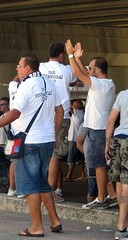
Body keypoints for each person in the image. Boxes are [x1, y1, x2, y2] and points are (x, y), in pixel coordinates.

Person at [0, 54, 63, 237]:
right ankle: (55, 221)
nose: (16, 68)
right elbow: (60, 110)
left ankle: (36, 227)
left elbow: (15, 113)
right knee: (42, 182)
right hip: (46, 140)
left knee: (30, 186)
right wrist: (54, 133)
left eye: (19, 66)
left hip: (29, 142)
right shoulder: (49, 84)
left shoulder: (26, 86)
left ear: (27, 68)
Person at [65, 39, 115, 208]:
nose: (88, 69)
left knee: (99, 167)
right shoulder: (107, 84)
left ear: (98, 71)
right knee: (101, 166)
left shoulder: (100, 85)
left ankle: (101, 199)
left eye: (91, 67)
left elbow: (80, 75)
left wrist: (71, 55)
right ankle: (112, 195)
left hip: (96, 131)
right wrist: (78, 59)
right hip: (99, 130)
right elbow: (84, 72)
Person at [39, 42, 77, 202]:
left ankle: (39, 189)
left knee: (42, 153)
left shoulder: (40, 67)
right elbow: (75, 81)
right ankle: (50, 193)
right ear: (61, 55)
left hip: (42, 115)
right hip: (61, 117)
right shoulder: (67, 69)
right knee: (55, 155)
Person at [105, 89, 128, 240]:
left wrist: (107, 144)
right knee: (127, 184)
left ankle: (123, 222)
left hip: (117, 139)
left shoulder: (123, 94)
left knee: (119, 181)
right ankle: (121, 227)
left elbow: (111, 120)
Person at [64, 99, 85, 181]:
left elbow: (69, 107)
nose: (75, 104)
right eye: (74, 103)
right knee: (80, 158)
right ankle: (83, 174)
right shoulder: (79, 113)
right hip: (76, 138)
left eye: (77, 103)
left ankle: (69, 176)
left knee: (71, 158)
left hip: (73, 138)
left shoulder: (78, 112)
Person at [77, 122, 98, 203]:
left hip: (103, 162)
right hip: (91, 162)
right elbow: (78, 144)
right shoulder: (85, 124)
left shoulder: (105, 121)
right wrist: (88, 157)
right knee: (93, 190)